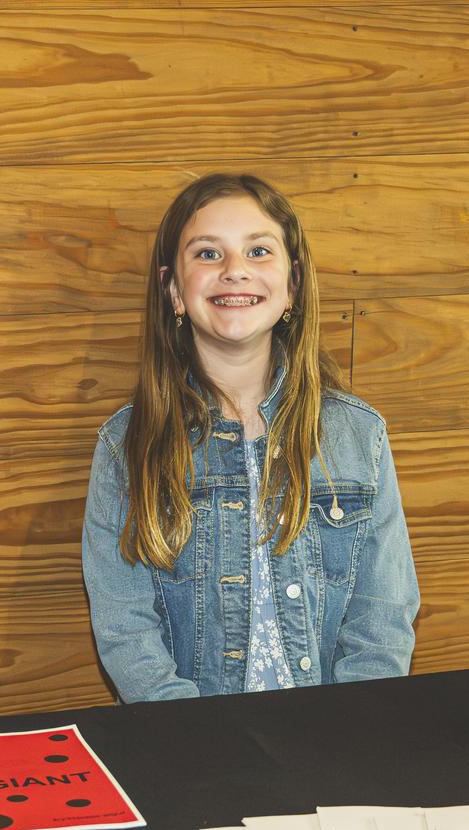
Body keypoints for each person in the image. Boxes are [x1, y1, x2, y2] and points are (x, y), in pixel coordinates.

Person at [82, 173, 419, 702]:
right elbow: (127, 634)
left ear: (293, 285)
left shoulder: (358, 434)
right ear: (173, 288)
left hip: (335, 742)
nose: (235, 271)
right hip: (193, 747)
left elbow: (383, 616)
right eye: (208, 254)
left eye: (258, 251)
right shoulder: (126, 447)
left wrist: (351, 731)